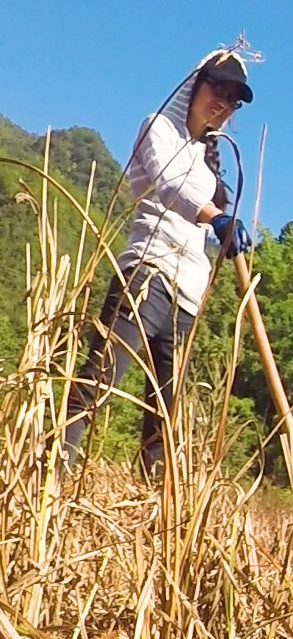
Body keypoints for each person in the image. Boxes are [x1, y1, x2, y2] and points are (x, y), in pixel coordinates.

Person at [60, 49, 256, 477]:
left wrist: (222, 237)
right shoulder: (158, 128)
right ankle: (49, 478)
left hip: (187, 298)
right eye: (217, 90)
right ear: (195, 87)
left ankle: (154, 505)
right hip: (147, 273)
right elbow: (169, 186)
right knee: (100, 380)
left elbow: (203, 217)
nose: (222, 104)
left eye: (232, 100)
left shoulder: (210, 162)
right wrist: (214, 216)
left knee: (164, 413)